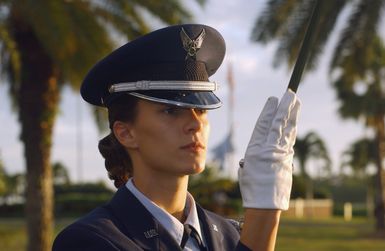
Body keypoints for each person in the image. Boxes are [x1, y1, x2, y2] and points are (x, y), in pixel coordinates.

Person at [52, 24, 300, 251]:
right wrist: (263, 216)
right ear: (125, 133)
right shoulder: (88, 241)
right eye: (171, 111)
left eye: (201, 110)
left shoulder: (230, 235)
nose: (195, 123)